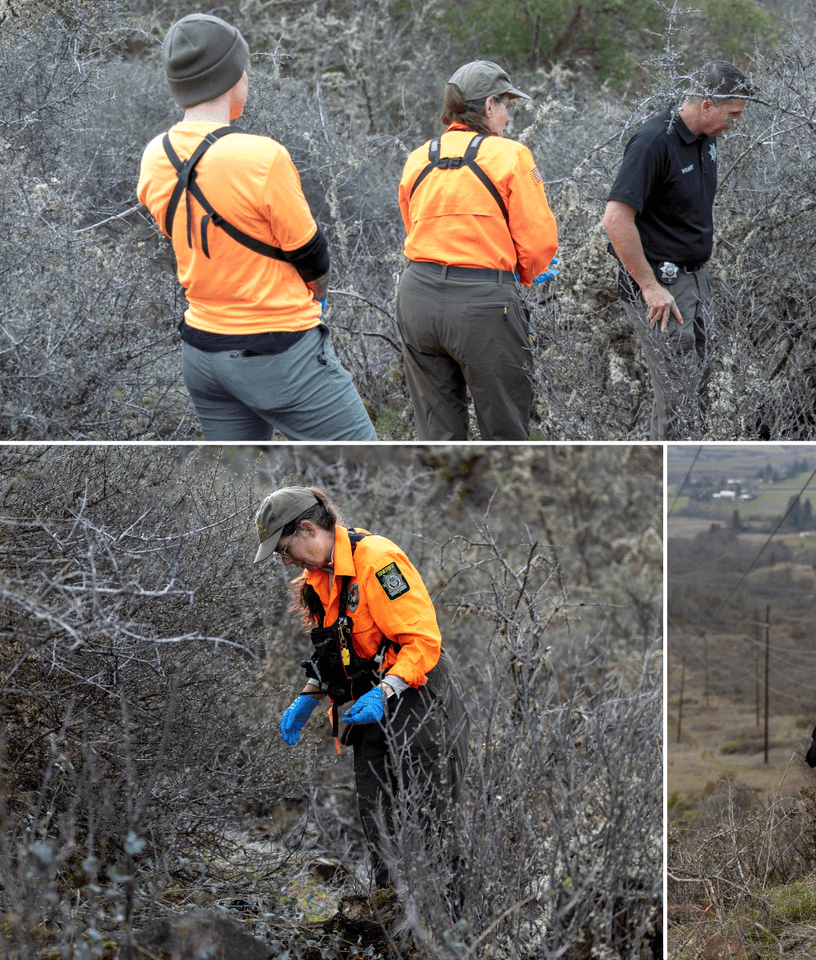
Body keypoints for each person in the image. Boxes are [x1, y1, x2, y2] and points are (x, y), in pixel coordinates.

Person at [136, 14, 378, 442]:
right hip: (279, 353)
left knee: (238, 472)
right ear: (232, 78)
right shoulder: (262, 157)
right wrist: (318, 297)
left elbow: (180, 236)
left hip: (201, 353)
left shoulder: (154, 155)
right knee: (364, 456)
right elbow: (312, 254)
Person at [255, 486, 468, 889]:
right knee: (378, 822)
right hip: (372, 705)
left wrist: (384, 691)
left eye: (285, 549)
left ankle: (450, 919)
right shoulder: (317, 578)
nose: (286, 561)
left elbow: (423, 642)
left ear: (308, 529)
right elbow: (335, 651)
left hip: (421, 697)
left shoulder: (378, 561)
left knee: (433, 822)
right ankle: (389, 914)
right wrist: (307, 697)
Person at [395, 61, 558, 440]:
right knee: (506, 431)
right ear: (488, 106)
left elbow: (412, 226)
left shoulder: (418, 157)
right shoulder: (512, 155)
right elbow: (538, 242)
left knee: (438, 435)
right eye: (505, 105)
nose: (507, 116)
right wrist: (528, 273)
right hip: (483, 304)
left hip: (416, 299)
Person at [602, 60, 754, 440]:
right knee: (679, 394)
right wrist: (649, 286)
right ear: (707, 105)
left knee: (692, 390)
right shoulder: (653, 141)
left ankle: (670, 463)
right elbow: (616, 220)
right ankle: (673, 471)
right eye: (733, 113)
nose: (737, 122)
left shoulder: (706, 137)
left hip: (694, 281)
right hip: (661, 286)